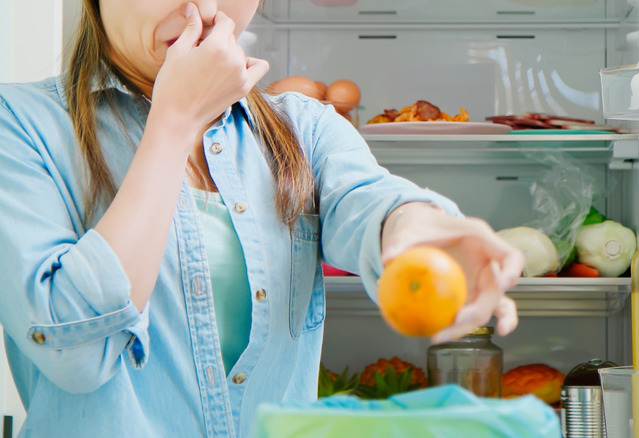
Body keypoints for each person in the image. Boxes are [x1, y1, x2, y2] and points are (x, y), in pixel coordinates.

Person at [0, 0, 524, 436]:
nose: (201, 8)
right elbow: (75, 350)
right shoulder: (21, 126)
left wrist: (420, 230)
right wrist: (174, 120)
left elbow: (371, 201)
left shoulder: (305, 129)